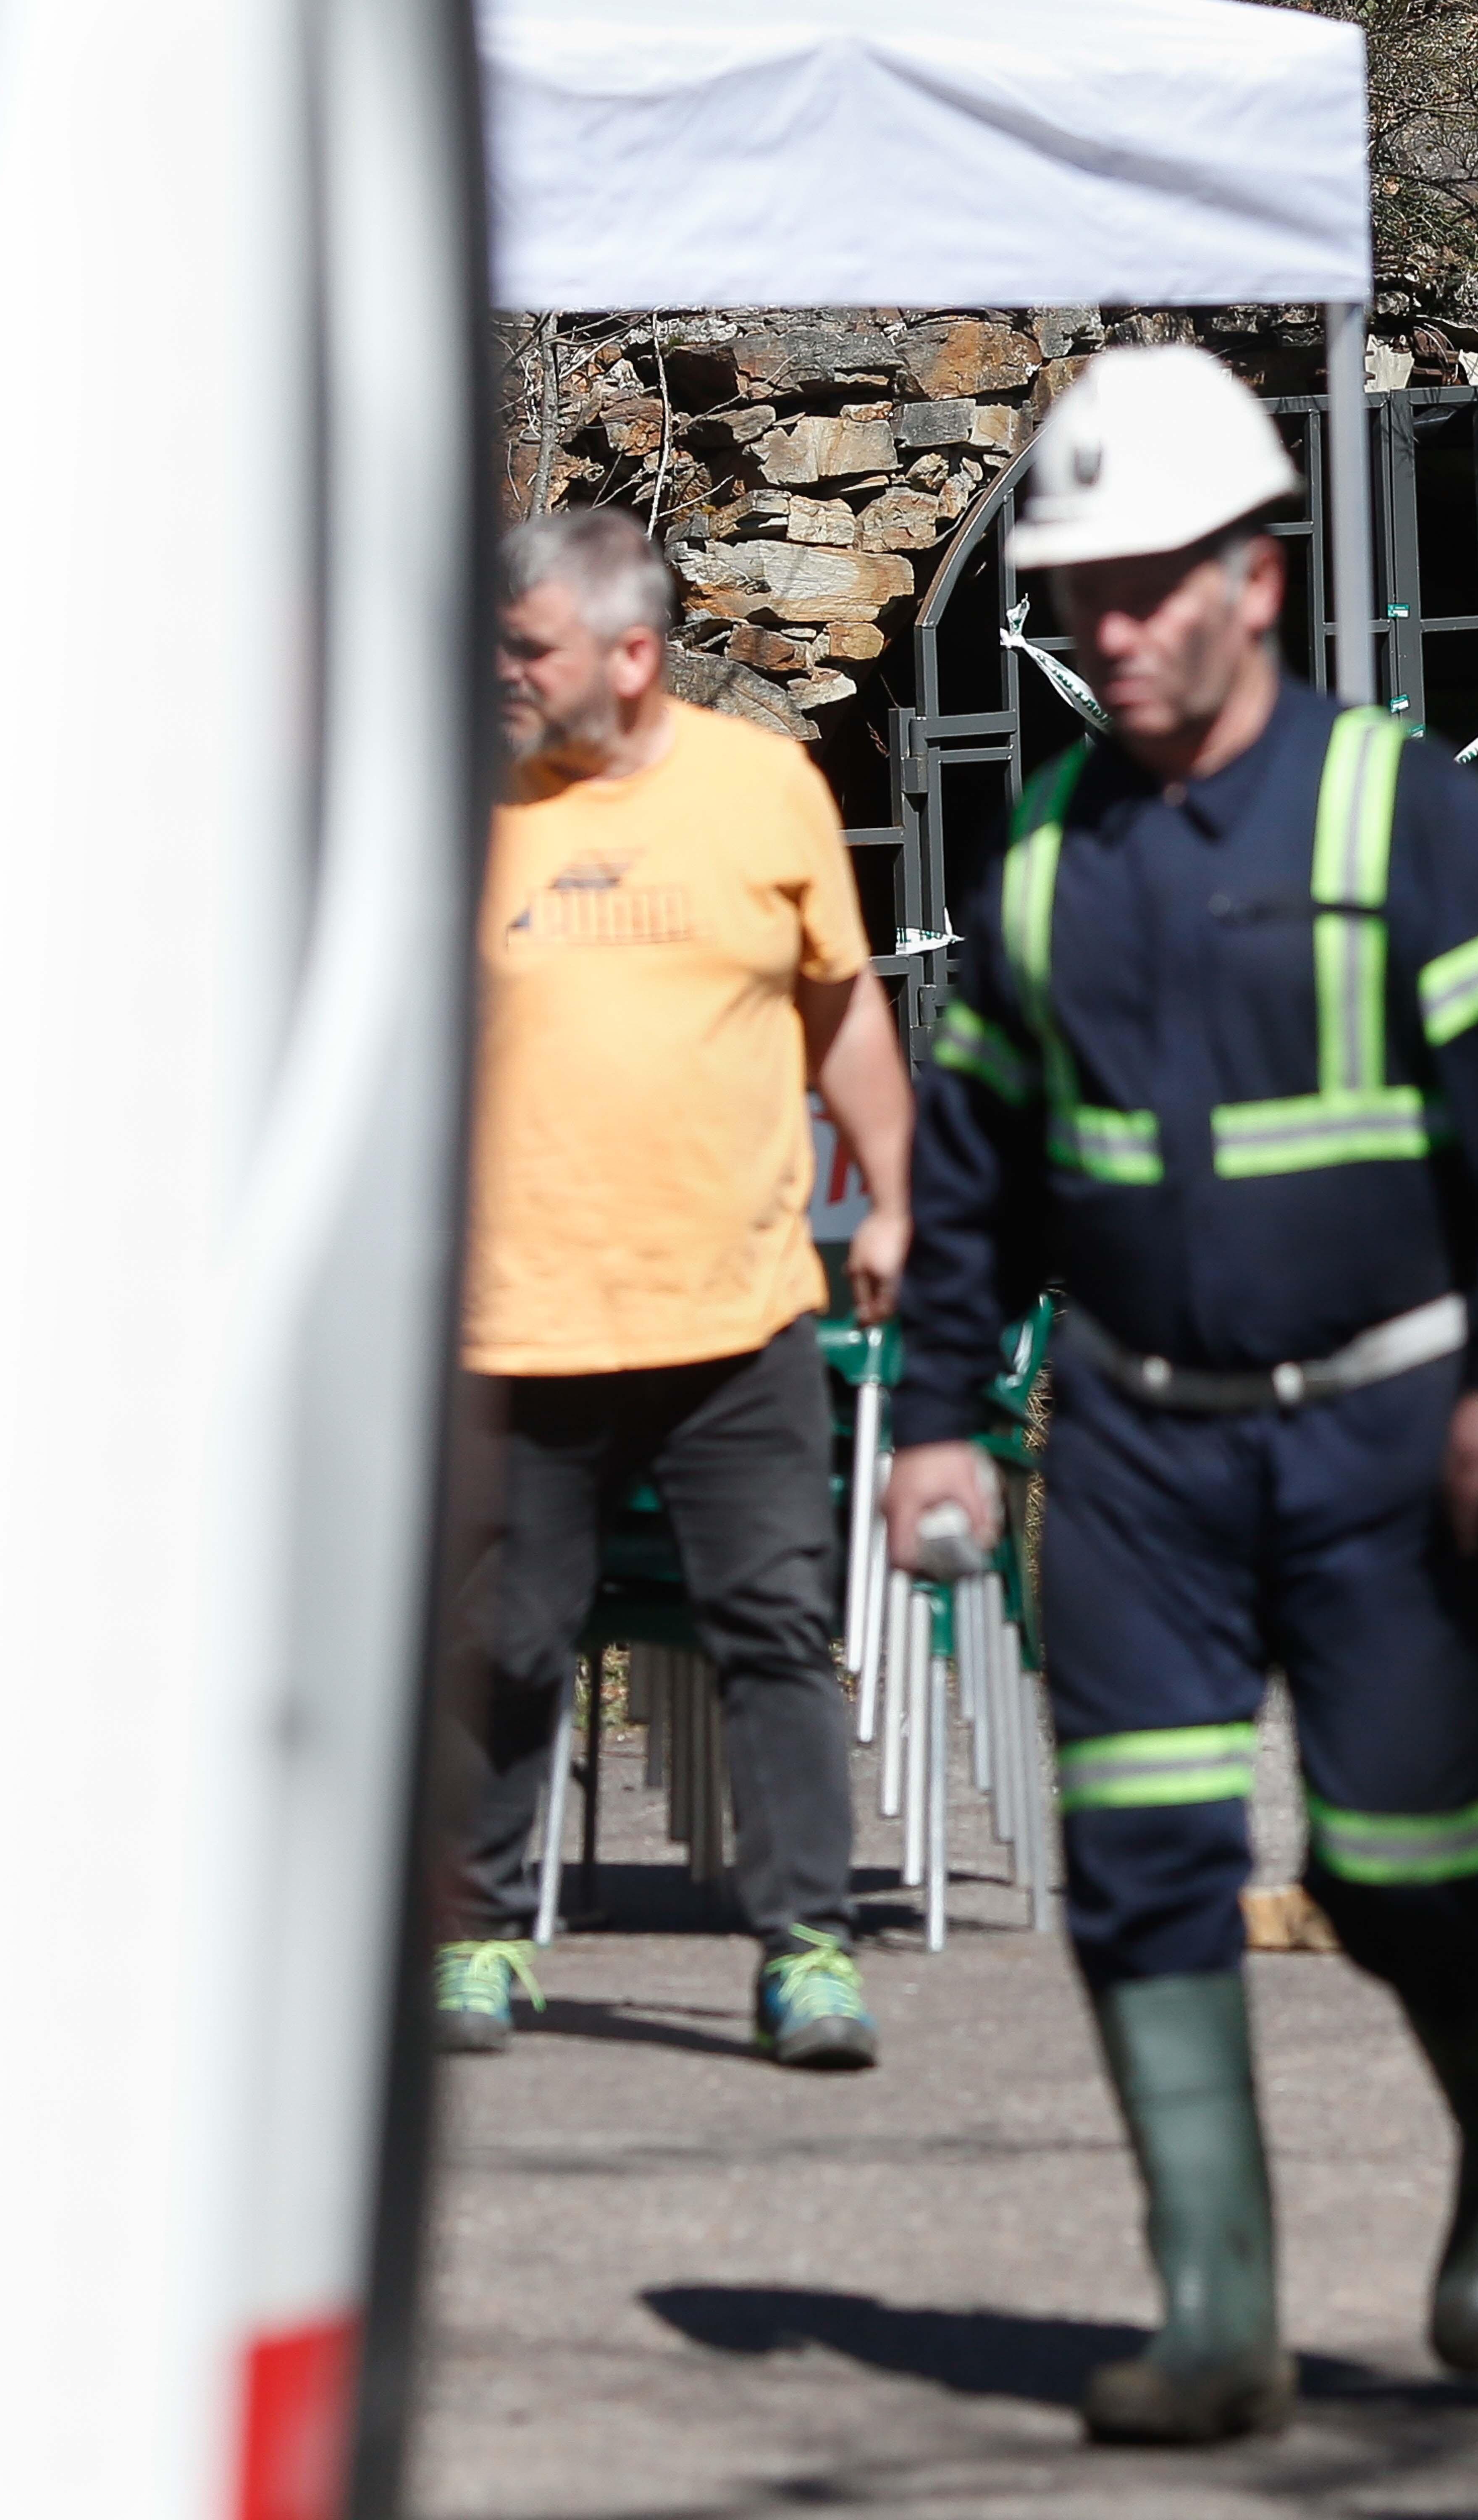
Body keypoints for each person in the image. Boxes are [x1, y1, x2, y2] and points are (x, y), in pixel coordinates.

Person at [883, 346, 1478, 2444]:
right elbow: (976, 1183)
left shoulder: (1412, 823)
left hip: (1393, 1436)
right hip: (1133, 1444)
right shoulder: (1043, 867)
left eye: (1148, 588)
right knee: (1135, 1861)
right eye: (1077, 598)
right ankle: (1217, 2310)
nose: (1109, 634)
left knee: (1401, 1864)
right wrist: (939, 1408)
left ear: (1260, 580)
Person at [434, 508, 912, 2069]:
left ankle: (808, 1953)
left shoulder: (763, 791)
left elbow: (839, 1013)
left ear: (632, 657)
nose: (500, 670)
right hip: (517, 1317)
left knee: (771, 1628)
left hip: (735, 1312)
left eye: (530, 649)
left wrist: (897, 1194)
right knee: (503, 1641)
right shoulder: (462, 807)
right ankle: (481, 1935)